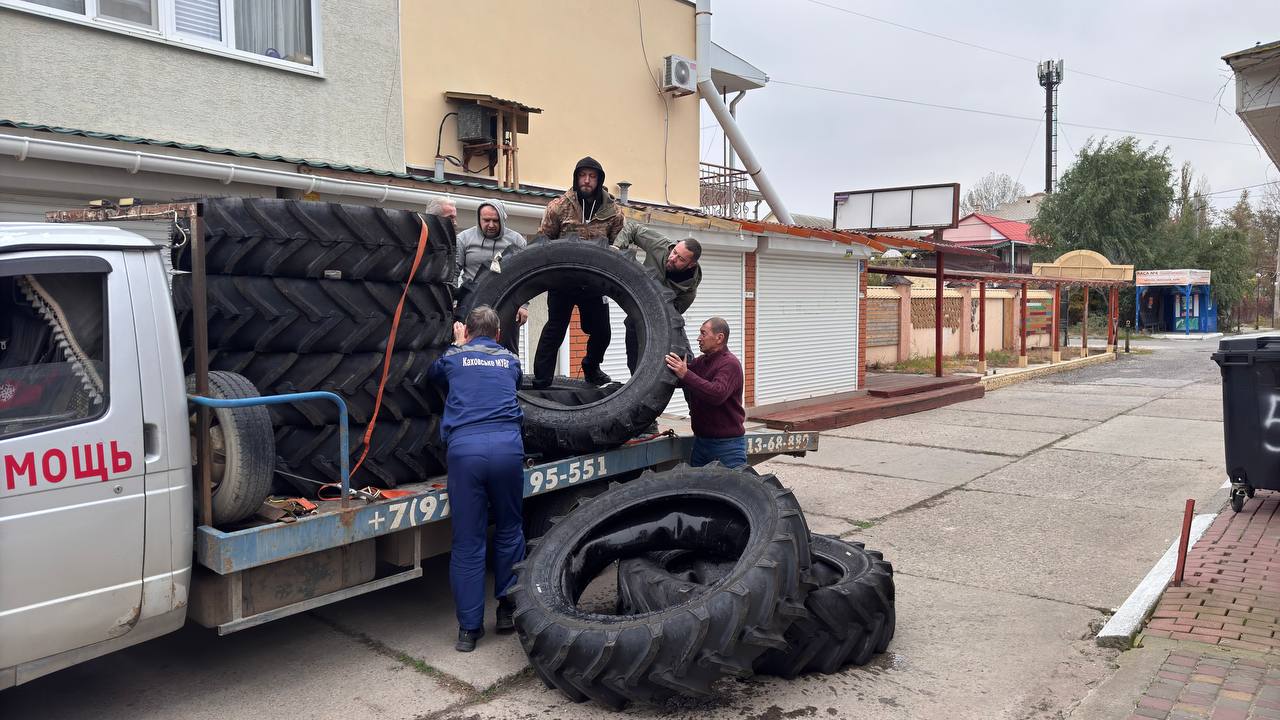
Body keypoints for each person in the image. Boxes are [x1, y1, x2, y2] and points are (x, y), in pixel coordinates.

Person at [427, 305, 525, 652]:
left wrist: (457, 346)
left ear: (466, 330)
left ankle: (469, 631)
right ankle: (506, 611)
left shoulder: (454, 357)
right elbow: (513, 383)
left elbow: (432, 376)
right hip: (507, 448)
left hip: (466, 451)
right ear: (498, 335)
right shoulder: (511, 361)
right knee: (510, 529)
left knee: (468, 542)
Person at [532, 156, 625, 388]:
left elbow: (618, 245)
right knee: (555, 329)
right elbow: (544, 240)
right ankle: (542, 379)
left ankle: (591, 368)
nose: (587, 180)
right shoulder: (559, 206)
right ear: (576, 178)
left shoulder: (613, 212)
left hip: (594, 283)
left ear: (599, 180)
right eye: (583, 175)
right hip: (563, 281)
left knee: (602, 332)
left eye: (592, 176)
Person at [612, 220, 702, 373]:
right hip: (636, 311)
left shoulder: (688, 293)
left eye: (681, 259)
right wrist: (616, 247)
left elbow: (672, 316)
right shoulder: (660, 245)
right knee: (633, 357)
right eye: (675, 252)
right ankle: (635, 380)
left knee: (685, 357)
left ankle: (694, 392)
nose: (672, 258)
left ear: (690, 265)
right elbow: (633, 227)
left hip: (659, 320)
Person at [664, 317, 746, 468]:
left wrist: (686, 374)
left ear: (719, 338)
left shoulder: (730, 364)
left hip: (727, 447)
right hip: (701, 443)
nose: (698, 338)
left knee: (728, 489)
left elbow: (717, 394)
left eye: (703, 333)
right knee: (699, 490)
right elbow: (682, 378)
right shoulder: (701, 362)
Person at [454, 199, 529, 336]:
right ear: (479, 219)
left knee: (506, 349)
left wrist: (523, 305)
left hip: (506, 301)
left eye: (495, 220)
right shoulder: (463, 239)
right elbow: (453, 272)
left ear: (503, 218)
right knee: (468, 346)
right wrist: (451, 303)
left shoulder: (516, 240)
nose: (491, 225)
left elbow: (525, 275)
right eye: (486, 220)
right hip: (471, 302)